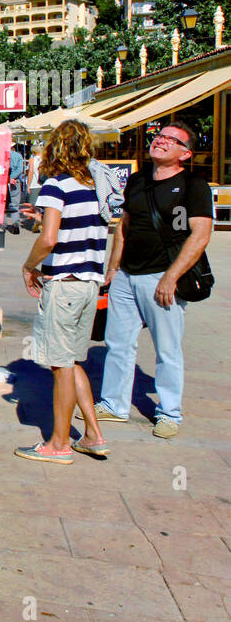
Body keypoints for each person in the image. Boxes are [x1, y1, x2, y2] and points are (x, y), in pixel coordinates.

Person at [88, 120, 213, 439]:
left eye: (172, 140)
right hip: (127, 276)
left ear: (185, 154)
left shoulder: (193, 186)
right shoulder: (138, 181)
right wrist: (113, 269)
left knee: (167, 348)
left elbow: (200, 235)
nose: (161, 141)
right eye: (160, 136)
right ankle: (114, 403)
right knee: (117, 343)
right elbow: (123, 227)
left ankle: (170, 412)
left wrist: (172, 277)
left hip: (162, 276)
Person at [14, 120, 110, 464]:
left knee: (60, 365)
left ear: (55, 147)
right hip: (89, 284)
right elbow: (75, 228)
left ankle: (58, 444)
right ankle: (94, 436)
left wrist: (28, 266)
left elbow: (50, 240)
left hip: (65, 284)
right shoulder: (95, 184)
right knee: (72, 359)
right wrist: (43, 219)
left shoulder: (56, 185)